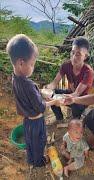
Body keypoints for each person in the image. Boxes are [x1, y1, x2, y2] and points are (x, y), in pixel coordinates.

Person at [7, 34, 61, 168]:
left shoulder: (14, 79)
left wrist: (40, 94)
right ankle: (38, 162)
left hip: (27, 121)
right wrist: (54, 102)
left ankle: (31, 159)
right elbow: (41, 107)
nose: (33, 67)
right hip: (36, 122)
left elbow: (28, 98)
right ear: (21, 63)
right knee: (39, 142)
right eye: (32, 64)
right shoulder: (29, 85)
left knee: (30, 142)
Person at [46, 37, 94, 121]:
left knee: (76, 104)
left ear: (85, 56)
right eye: (72, 52)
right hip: (70, 94)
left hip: (81, 99)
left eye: (78, 54)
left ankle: (76, 121)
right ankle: (59, 118)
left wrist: (60, 99)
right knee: (52, 94)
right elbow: (54, 83)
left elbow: (77, 94)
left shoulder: (88, 72)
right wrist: (46, 90)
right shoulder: (66, 65)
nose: (74, 57)